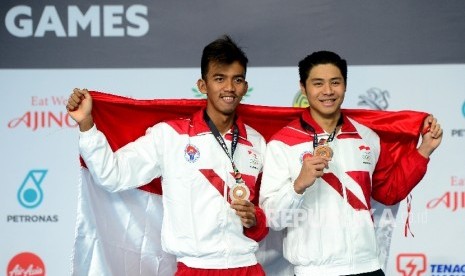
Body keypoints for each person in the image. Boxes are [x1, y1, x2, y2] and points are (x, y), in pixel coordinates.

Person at [66, 35, 268, 275]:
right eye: (219, 78)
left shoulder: (256, 142)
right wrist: (87, 125)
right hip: (195, 268)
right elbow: (113, 175)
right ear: (203, 85)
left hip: (246, 267)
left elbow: (266, 215)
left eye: (237, 79)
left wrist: (255, 219)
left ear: (245, 86)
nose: (229, 88)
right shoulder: (170, 136)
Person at [259, 50, 443, 276]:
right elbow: (272, 218)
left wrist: (424, 150)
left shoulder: (367, 137)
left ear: (345, 86)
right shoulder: (282, 143)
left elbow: (389, 193)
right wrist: (298, 185)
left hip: (368, 267)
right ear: (303, 88)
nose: (328, 91)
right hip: (315, 272)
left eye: (335, 82)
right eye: (318, 83)